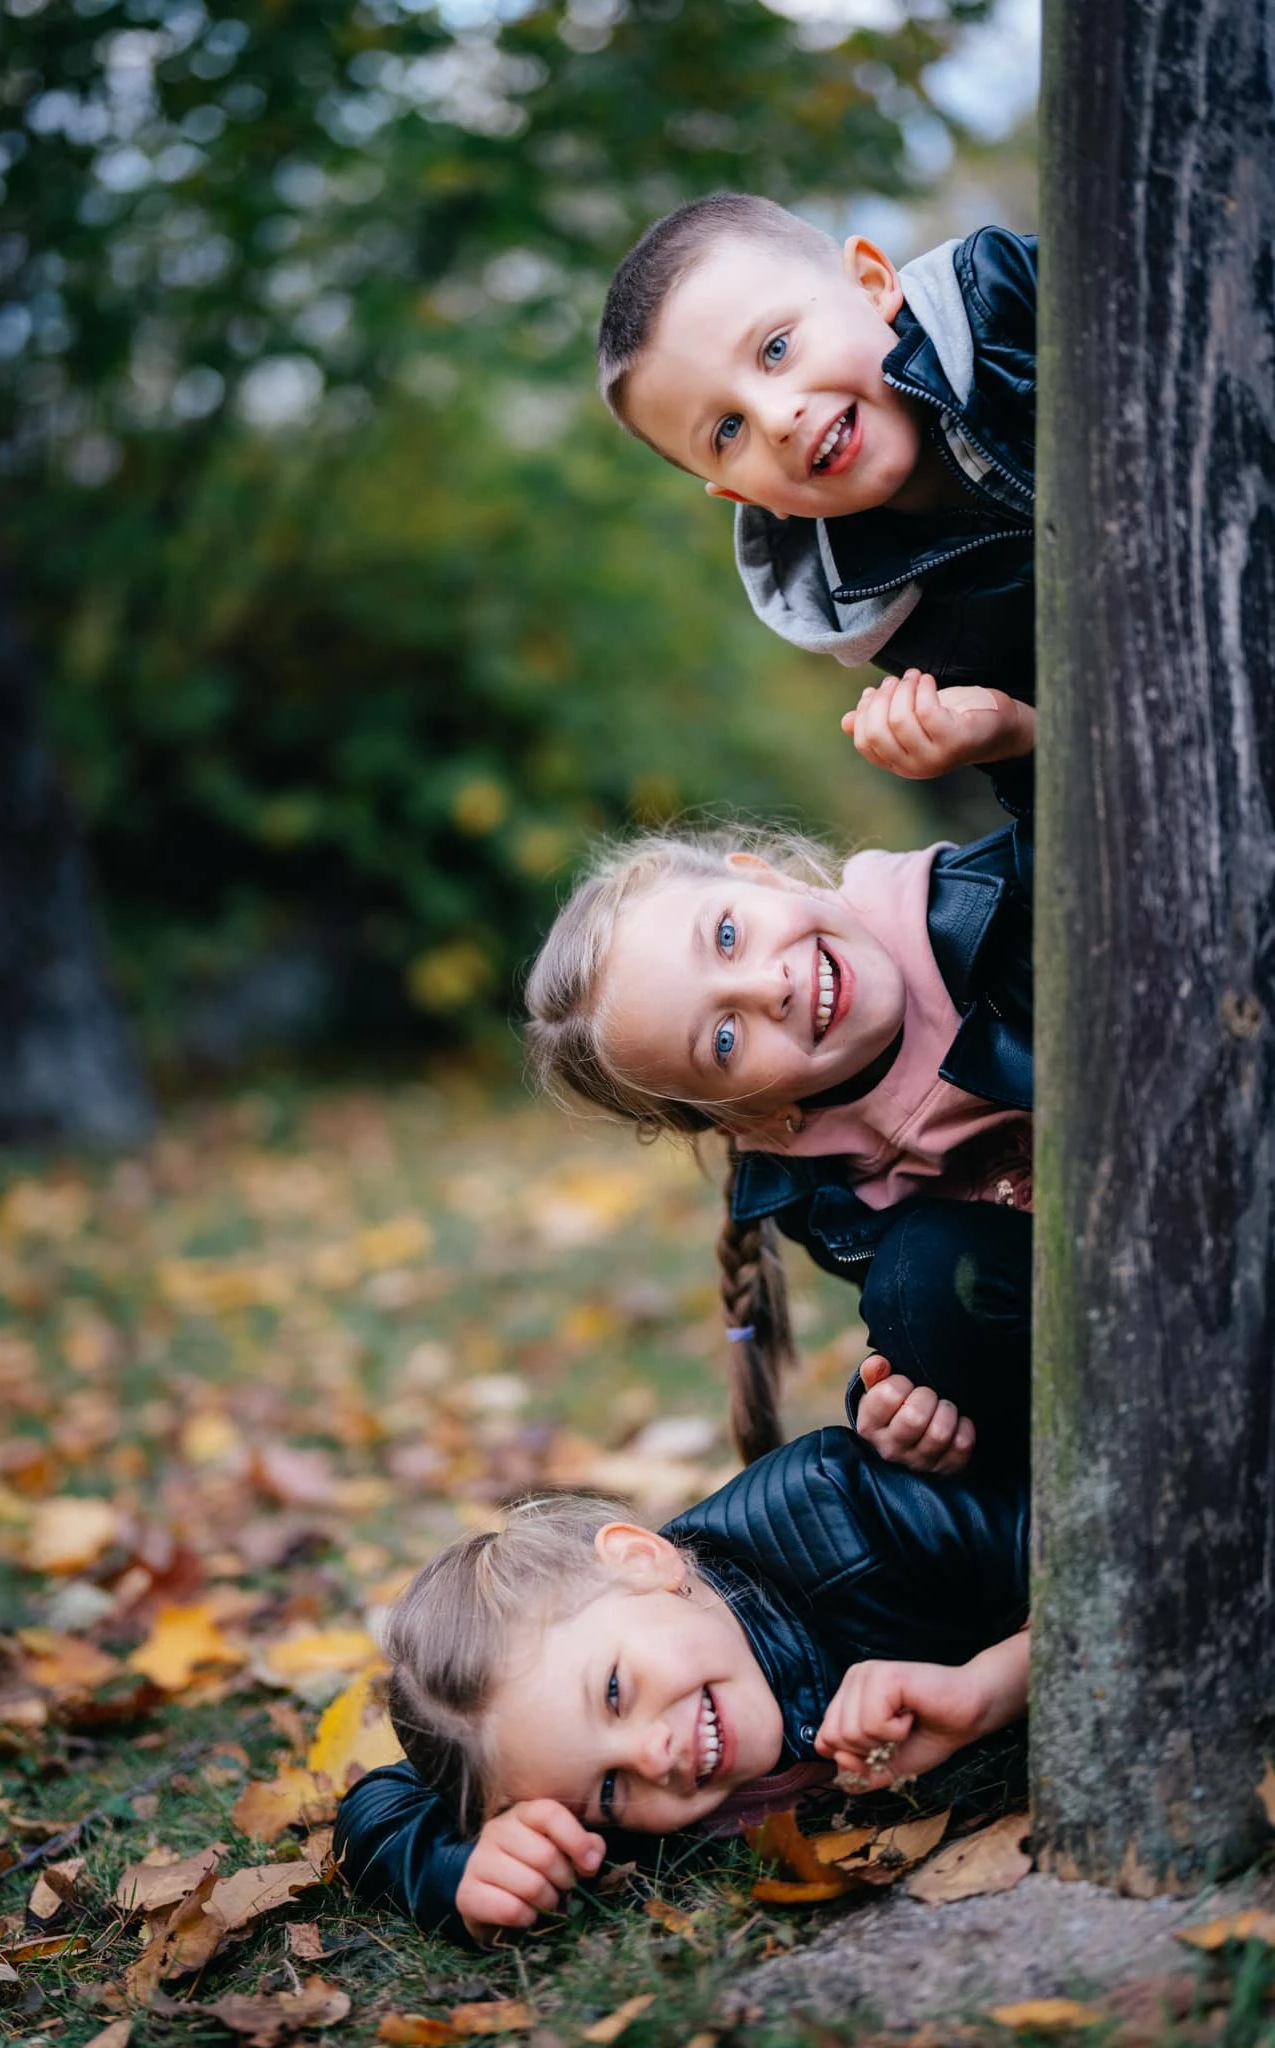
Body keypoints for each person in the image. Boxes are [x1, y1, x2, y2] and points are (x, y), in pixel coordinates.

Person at [527, 671, 1034, 1469]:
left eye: (727, 936)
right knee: (917, 1284)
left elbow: (1128, 844)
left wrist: (1018, 746)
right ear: (751, 1119)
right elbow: (931, 1312)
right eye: (723, 1041)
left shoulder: (980, 908)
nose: (771, 986)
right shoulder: (827, 1192)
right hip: (1104, 1307)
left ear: (763, 876)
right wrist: (905, 1402)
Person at [333, 1431, 1030, 1942]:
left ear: (642, 1561)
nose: (649, 1757)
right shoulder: (555, 1767)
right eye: (605, 1790)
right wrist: (461, 1869)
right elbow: (377, 1807)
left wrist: (991, 1686)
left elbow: (1116, 1561)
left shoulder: (843, 1516)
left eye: (613, 1692)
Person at [597, 194, 1036, 747]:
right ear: (744, 496)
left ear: (872, 284)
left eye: (776, 349)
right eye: (729, 430)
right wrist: (1015, 730)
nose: (778, 419)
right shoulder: (888, 609)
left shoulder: (1010, 295)